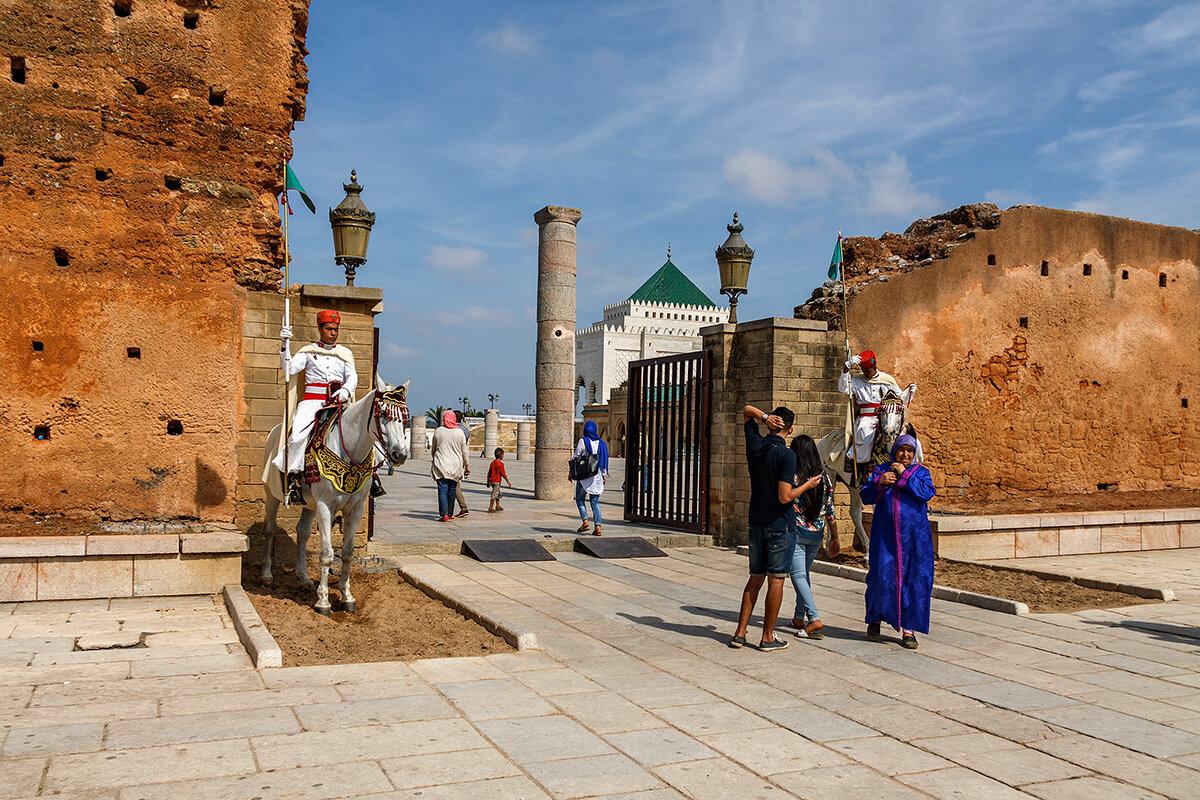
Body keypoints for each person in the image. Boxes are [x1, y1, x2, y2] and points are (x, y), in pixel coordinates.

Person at [858, 434, 936, 649]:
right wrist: (878, 483)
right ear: (894, 451)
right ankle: (875, 619)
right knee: (881, 578)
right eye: (901, 450)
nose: (905, 455)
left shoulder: (921, 473)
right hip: (885, 539)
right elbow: (866, 497)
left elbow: (926, 493)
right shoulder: (881, 470)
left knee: (914, 580)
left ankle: (909, 630)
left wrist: (905, 477)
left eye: (909, 451)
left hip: (914, 541)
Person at [730, 405, 796, 653]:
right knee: (776, 579)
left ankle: (740, 632)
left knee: (755, 578)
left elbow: (746, 411)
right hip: (779, 524)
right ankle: (767, 636)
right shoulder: (787, 456)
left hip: (755, 521)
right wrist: (807, 485)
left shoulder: (755, 445)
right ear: (790, 428)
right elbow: (784, 496)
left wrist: (763, 417)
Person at [273, 309, 357, 504]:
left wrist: (346, 391)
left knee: (358, 434)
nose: (333, 333)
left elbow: (352, 376)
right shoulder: (308, 352)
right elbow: (289, 369)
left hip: (337, 402)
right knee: (298, 437)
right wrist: (284, 345)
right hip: (312, 404)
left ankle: (370, 479)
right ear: (320, 329)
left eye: (336, 329)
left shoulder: (344, 353)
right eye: (329, 329)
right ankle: (293, 480)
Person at [787, 434, 838, 640]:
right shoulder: (824, 478)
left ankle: (814, 618)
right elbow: (830, 511)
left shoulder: (793, 476)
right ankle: (799, 617)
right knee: (804, 575)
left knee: (797, 576)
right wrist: (835, 537)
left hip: (797, 533)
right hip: (816, 534)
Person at [838, 350, 915, 484]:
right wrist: (846, 367)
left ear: (875, 367)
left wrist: (910, 392)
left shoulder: (887, 380)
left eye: (868, 370)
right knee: (864, 435)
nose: (866, 373)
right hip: (866, 418)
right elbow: (843, 388)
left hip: (887, 416)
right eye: (864, 370)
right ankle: (861, 468)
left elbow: (900, 399)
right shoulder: (857, 381)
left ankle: (911, 465)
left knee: (907, 436)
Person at [430, 410, 468, 522]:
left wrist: (434, 459)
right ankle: (450, 513)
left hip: (441, 464)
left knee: (442, 489)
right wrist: (467, 465)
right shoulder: (459, 432)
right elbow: (464, 451)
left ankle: (444, 515)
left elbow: (434, 449)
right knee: (452, 490)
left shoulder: (438, 431)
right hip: (455, 465)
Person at [573, 421, 608, 535]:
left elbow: (576, 456)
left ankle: (585, 521)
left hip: (584, 476)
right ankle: (598, 526)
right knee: (595, 502)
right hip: (597, 475)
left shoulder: (583, 441)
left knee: (580, 499)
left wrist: (571, 472)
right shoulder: (601, 443)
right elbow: (603, 460)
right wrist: (603, 475)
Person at [452, 410, 471, 517]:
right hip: (461, 460)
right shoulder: (465, 430)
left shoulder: (451, 430)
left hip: (451, 459)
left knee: (454, 485)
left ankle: (463, 508)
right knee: (455, 484)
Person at [486, 447, 512, 513]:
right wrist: (508, 481)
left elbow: (489, 473)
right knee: (494, 494)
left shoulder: (492, 463)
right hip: (497, 481)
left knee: (498, 493)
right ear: (501, 456)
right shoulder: (500, 464)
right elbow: (503, 474)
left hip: (492, 481)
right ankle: (490, 507)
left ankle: (498, 506)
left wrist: (488, 482)